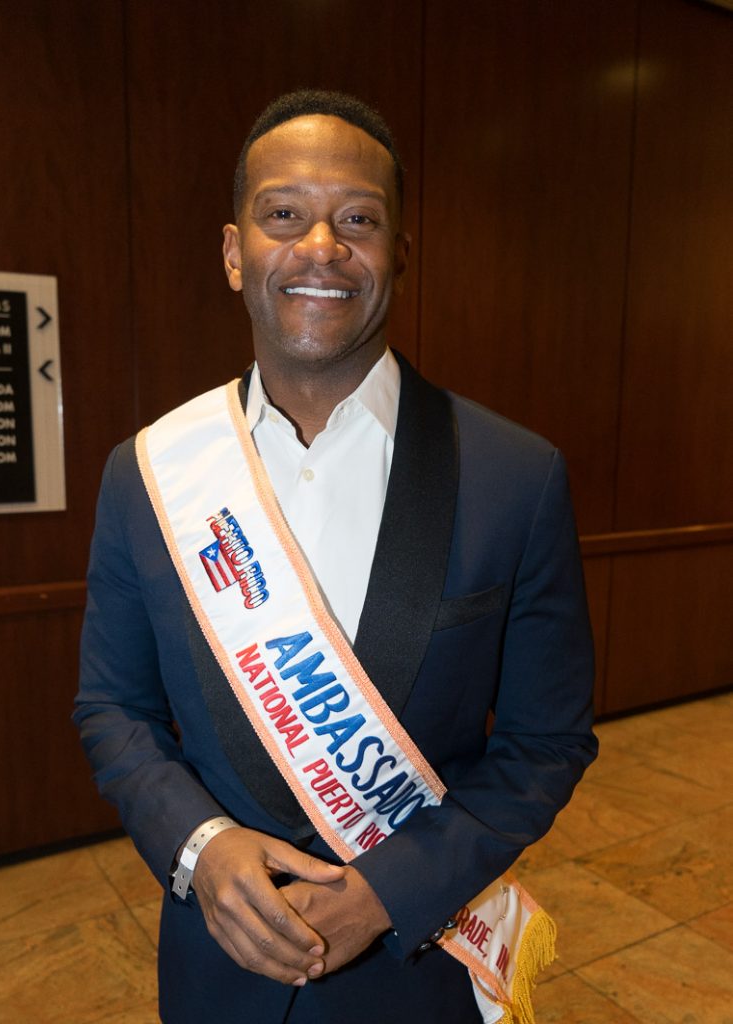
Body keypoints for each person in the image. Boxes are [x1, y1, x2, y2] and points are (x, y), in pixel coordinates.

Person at [74, 89, 597, 1023]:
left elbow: (544, 741)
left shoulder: (516, 475)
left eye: (358, 218)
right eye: (283, 214)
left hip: (416, 973)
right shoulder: (148, 473)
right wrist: (199, 844)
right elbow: (114, 708)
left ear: (399, 251)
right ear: (235, 252)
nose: (321, 245)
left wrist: (393, 889)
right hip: (216, 970)